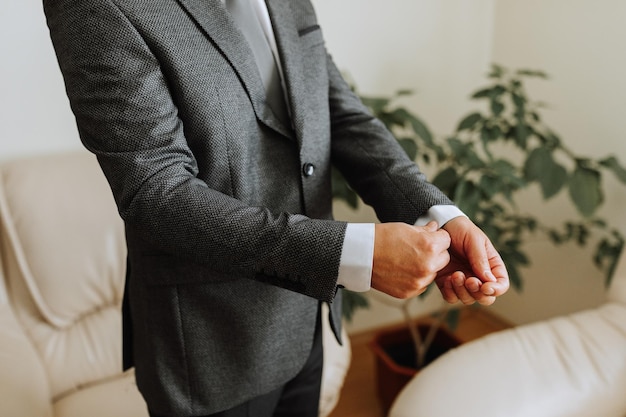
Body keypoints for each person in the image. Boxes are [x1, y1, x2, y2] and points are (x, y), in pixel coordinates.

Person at [43, 0, 509, 416]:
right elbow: (157, 194)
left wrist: (437, 213)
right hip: (211, 349)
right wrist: (352, 253)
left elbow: (336, 109)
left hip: (307, 321)